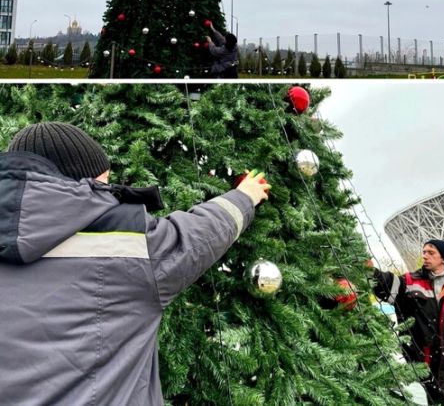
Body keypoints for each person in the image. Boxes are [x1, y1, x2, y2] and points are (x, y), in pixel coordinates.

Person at [0, 121, 270, 406]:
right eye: (103, 180)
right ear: (81, 182)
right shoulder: (130, 245)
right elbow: (198, 236)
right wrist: (246, 196)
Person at [372, 239, 444, 405]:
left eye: (431, 253)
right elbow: (386, 284)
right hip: (431, 368)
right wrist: (369, 271)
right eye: (424, 252)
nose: (425, 256)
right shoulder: (411, 282)